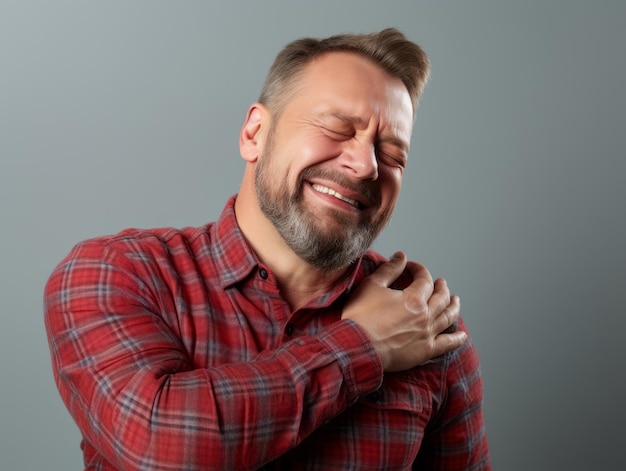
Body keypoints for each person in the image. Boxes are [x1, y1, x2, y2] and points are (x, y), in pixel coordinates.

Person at [44, 28, 490, 470]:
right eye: (338, 128)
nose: (366, 165)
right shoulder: (114, 273)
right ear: (255, 133)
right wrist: (367, 344)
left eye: (392, 154)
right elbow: (162, 447)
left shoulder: (425, 320)